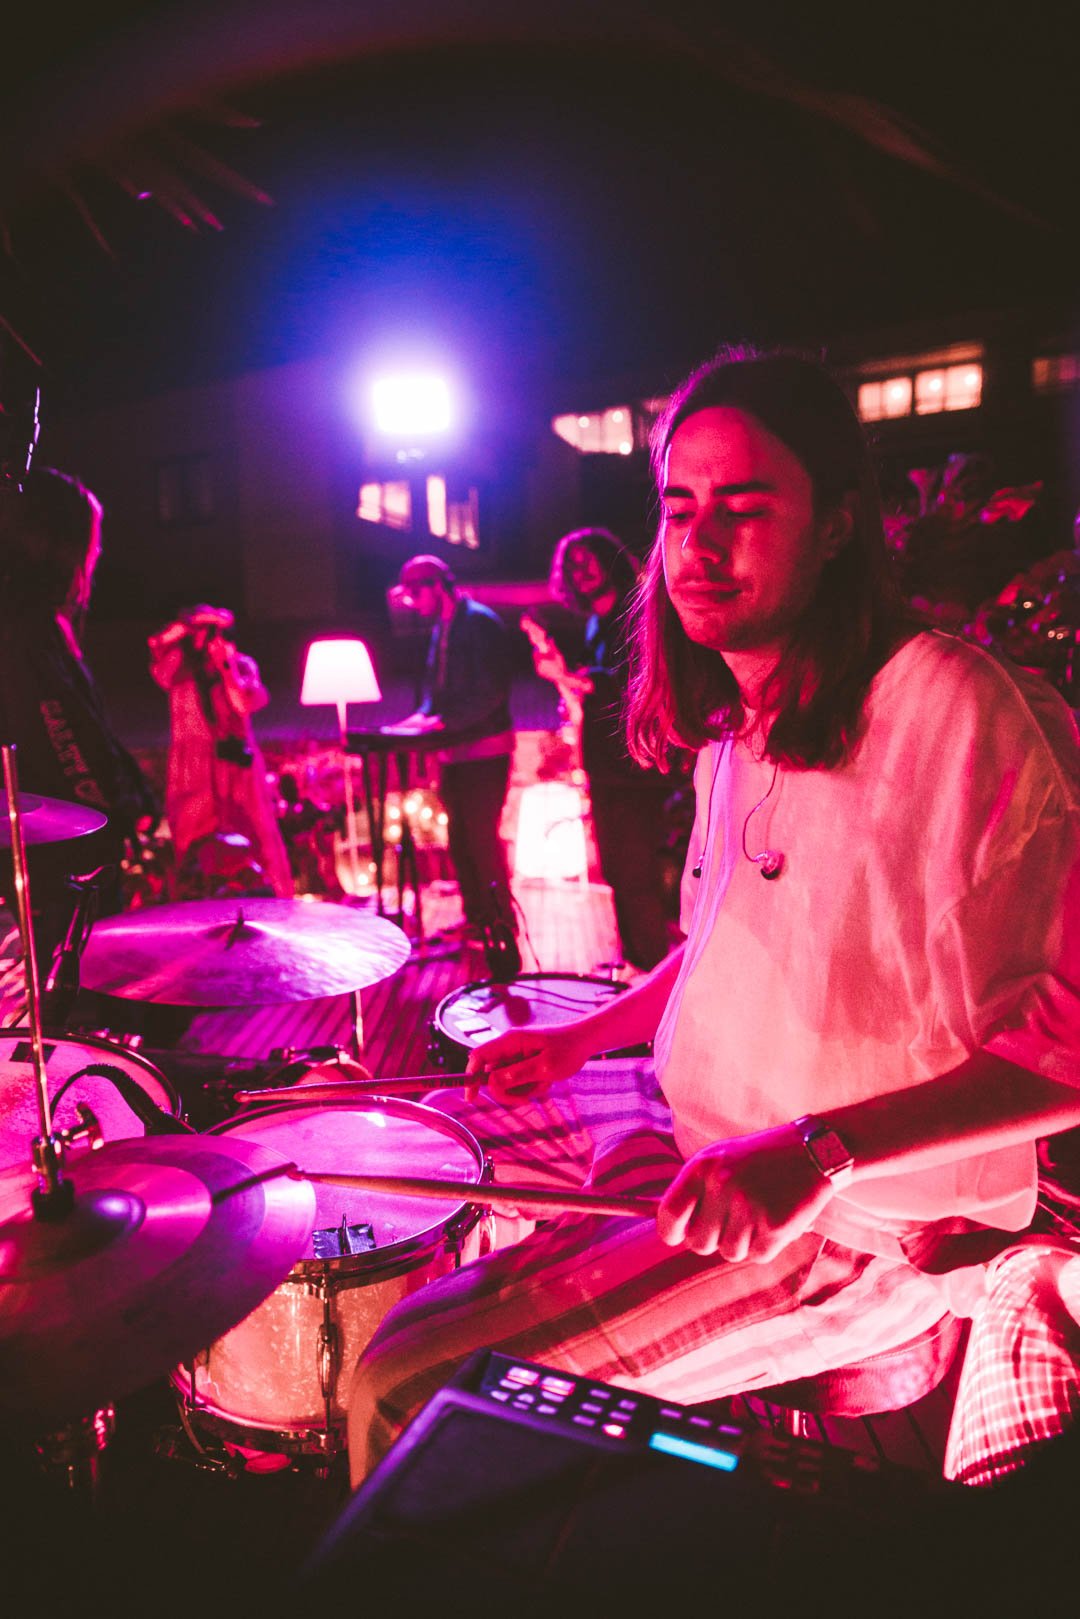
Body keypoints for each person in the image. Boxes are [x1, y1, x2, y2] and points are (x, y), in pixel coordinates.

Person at [346, 347, 1080, 1485]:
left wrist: (821, 1151)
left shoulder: (955, 707)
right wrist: (583, 1036)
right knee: (422, 1150)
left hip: (861, 1233)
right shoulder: (741, 727)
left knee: (405, 1385)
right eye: (680, 507)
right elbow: (716, 941)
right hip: (717, 1149)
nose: (698, 543)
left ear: (838, 525)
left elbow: (1067, 1045)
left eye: (745, 507)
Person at [0, 467, 158, 1007]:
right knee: (65, 1005)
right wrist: (109, 815)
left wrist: (136, 795)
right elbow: (64, 740)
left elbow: (88, 733)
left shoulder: (43, 626)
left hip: (62, 855)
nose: (93, 560)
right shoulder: (25, 635)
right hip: (56, 865)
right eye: (88, 544)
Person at [524, 526, 675, 970]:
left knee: (635, 874)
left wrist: (561, 675)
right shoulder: (595, 623)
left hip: (635, 765)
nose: (582, 570)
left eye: (588, 559)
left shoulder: (638, 611)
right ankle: (633, 962)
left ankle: (649, 970)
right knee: (617, 871)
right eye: (572, 566)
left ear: (609, 558)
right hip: (608, 763)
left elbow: (623, 685)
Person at [389, 554, 516, 942]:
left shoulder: (478, 622)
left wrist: (443, 722)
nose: (414, 603)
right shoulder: (441, 629)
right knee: (460, 841)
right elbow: (436, 693)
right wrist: (419, 720)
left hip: (485, 749)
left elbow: (492, 691)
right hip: (456, 751)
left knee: (481, 838)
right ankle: (477, 918)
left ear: (436, 586)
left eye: (415, 594)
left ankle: (500, 922)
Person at [147, 605, 293, 898]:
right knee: (193, 842)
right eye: (201, 631)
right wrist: (183, 630)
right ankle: (195, 907)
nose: (207, 638)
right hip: (193, 771)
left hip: (235, 765)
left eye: (213, 631)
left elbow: (243, 703)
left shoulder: (240, 665)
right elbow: (158, 653)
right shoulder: (179, 667)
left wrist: (225, 667)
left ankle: (267, 901)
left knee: (253, 836)